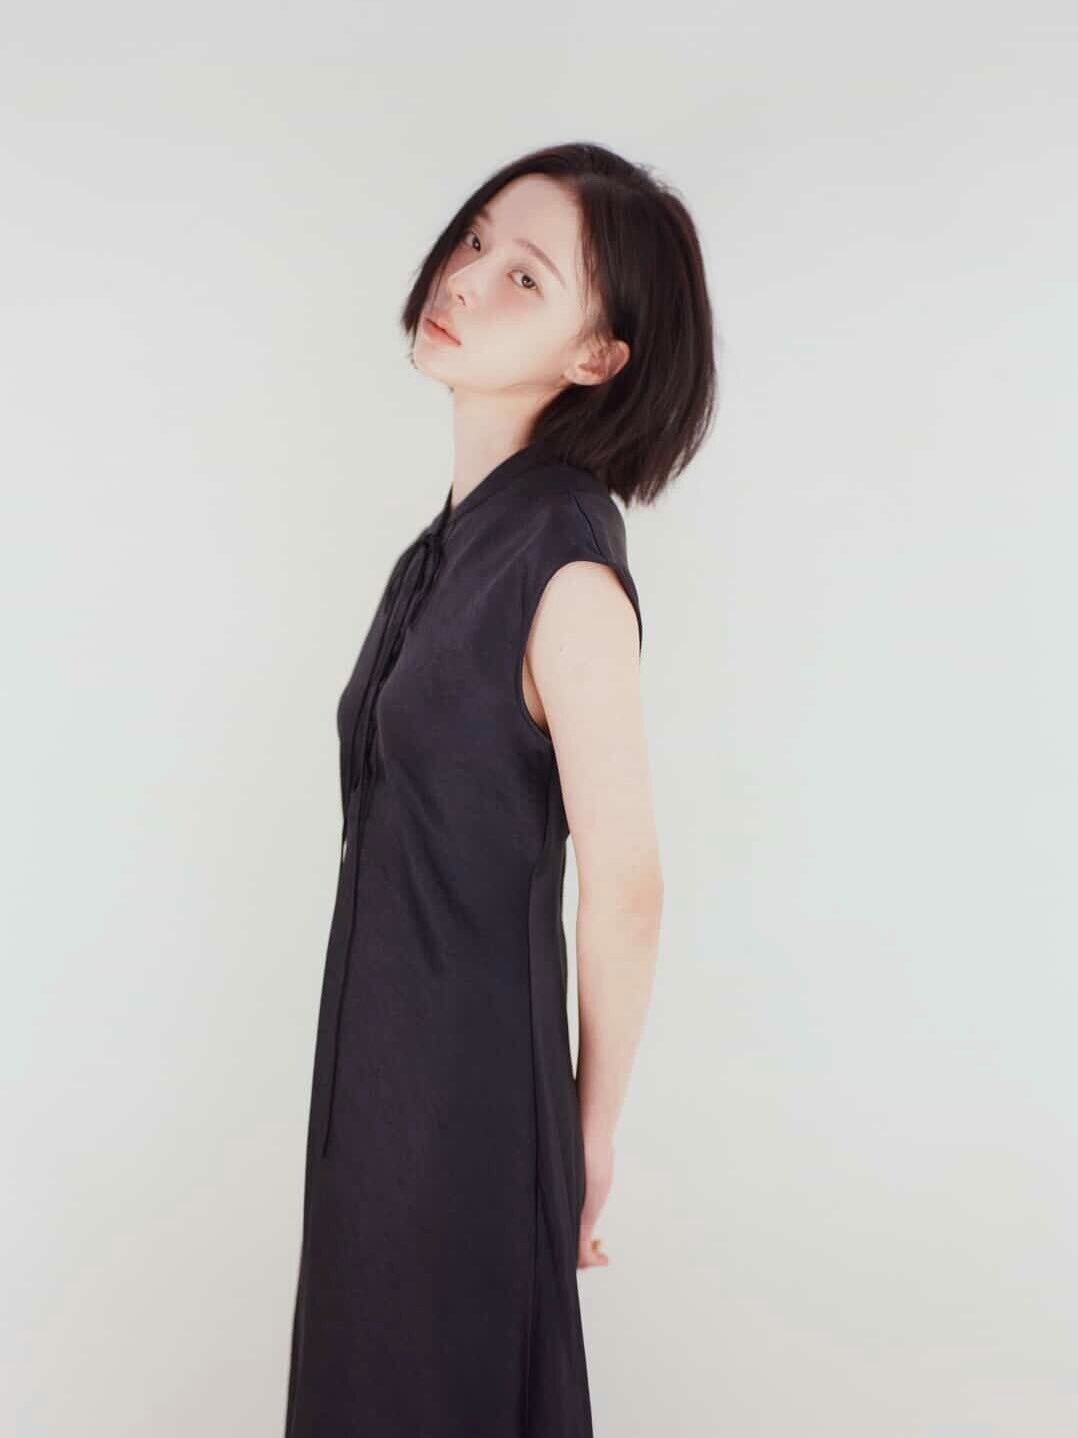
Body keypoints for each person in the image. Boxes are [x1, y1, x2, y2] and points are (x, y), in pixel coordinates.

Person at [284, 140, 717, 1437]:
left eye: (524, 277)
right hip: (374, 1089)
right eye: (476, 240)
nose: (465, 277)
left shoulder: (564, 566)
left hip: (467, 1108)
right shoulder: (447, 544)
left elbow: (627, 884)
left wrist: (586, 1137)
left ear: (596, 356)